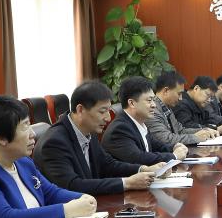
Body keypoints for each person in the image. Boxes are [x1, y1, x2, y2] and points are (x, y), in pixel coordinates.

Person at [35, 80, 165, 195]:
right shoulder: (54, 142)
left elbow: (107, 164)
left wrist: (142, 169)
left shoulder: (88, 130)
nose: (108, 118)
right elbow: (72, 185)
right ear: (80, 110)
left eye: (109, 110)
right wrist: (127, 183)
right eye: (102, 111)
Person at [103, 76, 187, 165]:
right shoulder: (120, 129)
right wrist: (174, 156)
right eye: (149, 100)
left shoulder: (139, 122)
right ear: (132, 103)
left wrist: (175, 147)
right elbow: (139, 158)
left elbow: (156, 145)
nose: (154, 105)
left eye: (153, 100)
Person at [150, 71, 216, 147]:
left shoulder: (167, 108)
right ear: (166, 91)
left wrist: (204, 131)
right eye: (179, 93)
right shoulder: (152, 110)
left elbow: (180, 131)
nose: (181, 98)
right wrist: (196, 137)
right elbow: (166, 139)